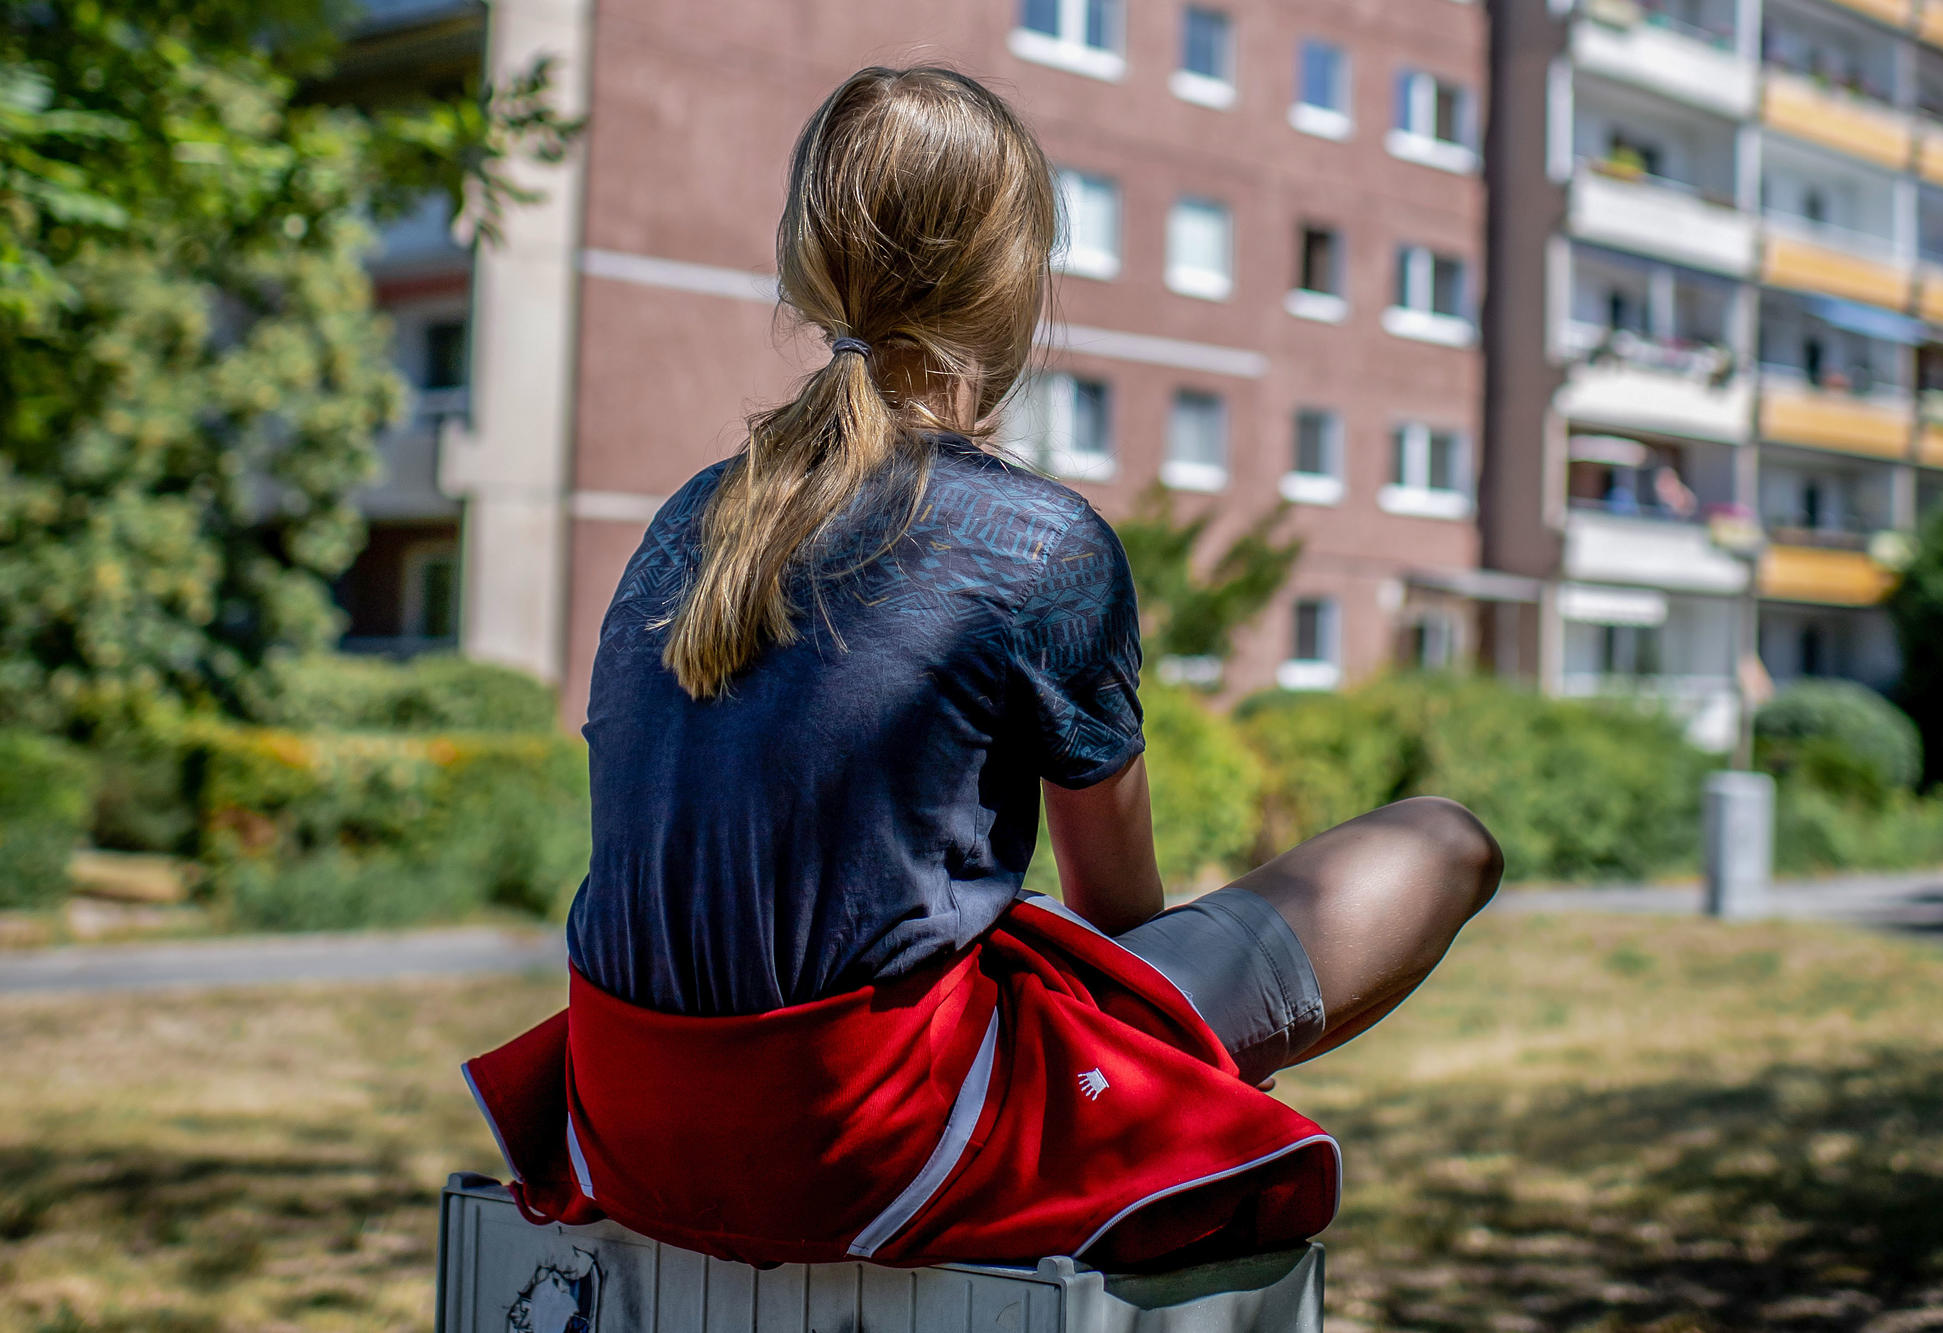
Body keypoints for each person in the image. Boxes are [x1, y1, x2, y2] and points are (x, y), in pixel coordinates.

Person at [464, 65, 1502, 1272]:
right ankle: (1159, 1170)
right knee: (1442, 842)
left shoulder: (686, 524)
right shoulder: (1040, 545)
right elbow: (1122, 920)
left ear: (807, 266)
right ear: (1017, 284)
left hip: (629, 1121)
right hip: (862, 1144)